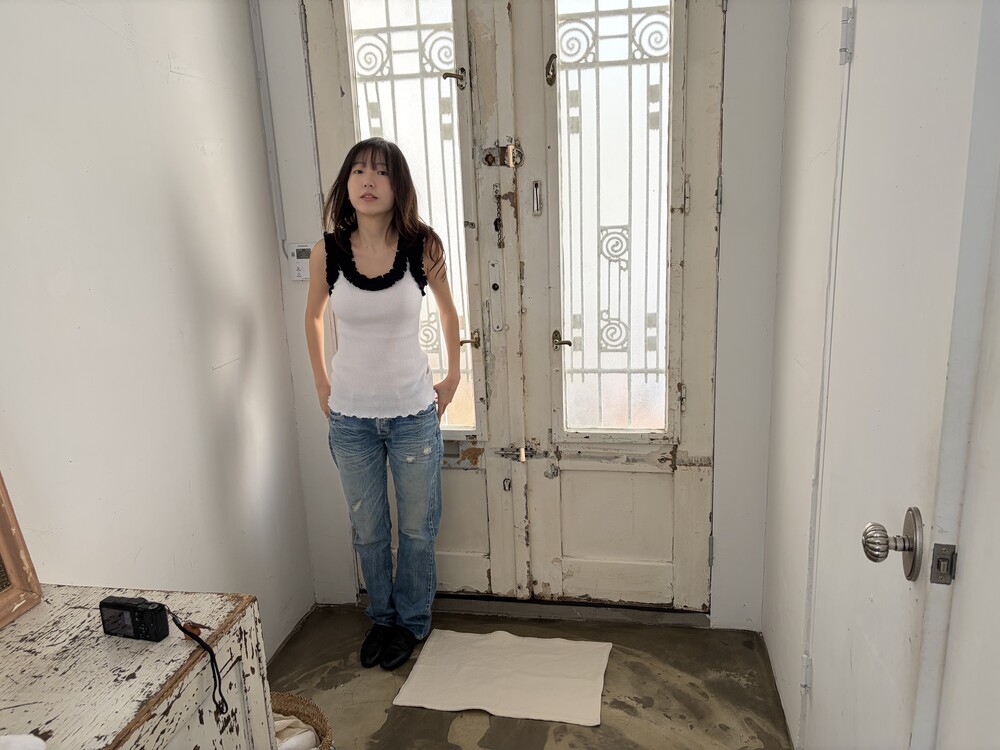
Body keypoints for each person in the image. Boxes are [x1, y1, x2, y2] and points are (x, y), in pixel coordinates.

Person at [304, 137, 460, 671]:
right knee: (369, 532)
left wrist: (453, 377)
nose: (368, 181)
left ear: (399, 185)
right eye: (358, 171)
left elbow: (449, 313)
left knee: (416, 528)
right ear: (346, 184)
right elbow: (313, 316)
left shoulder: (423, 246)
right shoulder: (327, 252)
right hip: (350, 419)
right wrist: (321, 382)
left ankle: (412, 622)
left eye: (381, 172)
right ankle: (382, 618)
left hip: (413, 413)